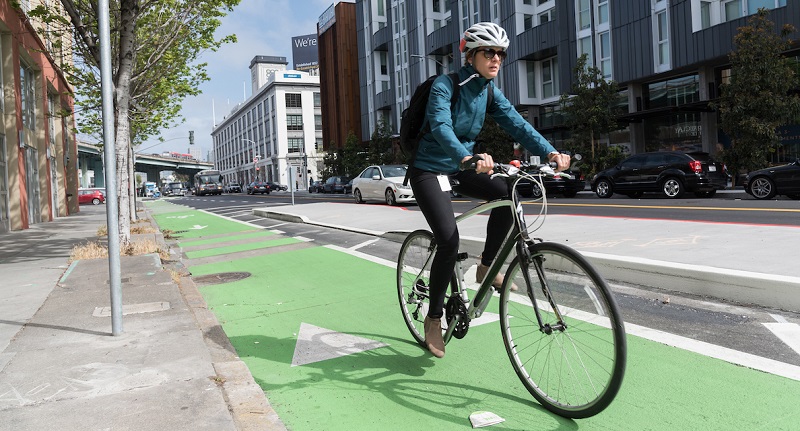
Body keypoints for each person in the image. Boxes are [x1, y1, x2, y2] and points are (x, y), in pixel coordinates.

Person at [407, 22, 570, 358]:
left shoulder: (489, 92)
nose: (496, 59)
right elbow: (440, 125)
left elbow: (518, 124)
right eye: (489, 52)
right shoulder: (445, 85)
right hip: (430, 168)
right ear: (471, 55)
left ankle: (486, 266)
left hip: (460, 165)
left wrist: (550, 151)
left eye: (500, 53)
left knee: (508, 192)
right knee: (449, 241)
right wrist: (466, 156)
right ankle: (434, 319)